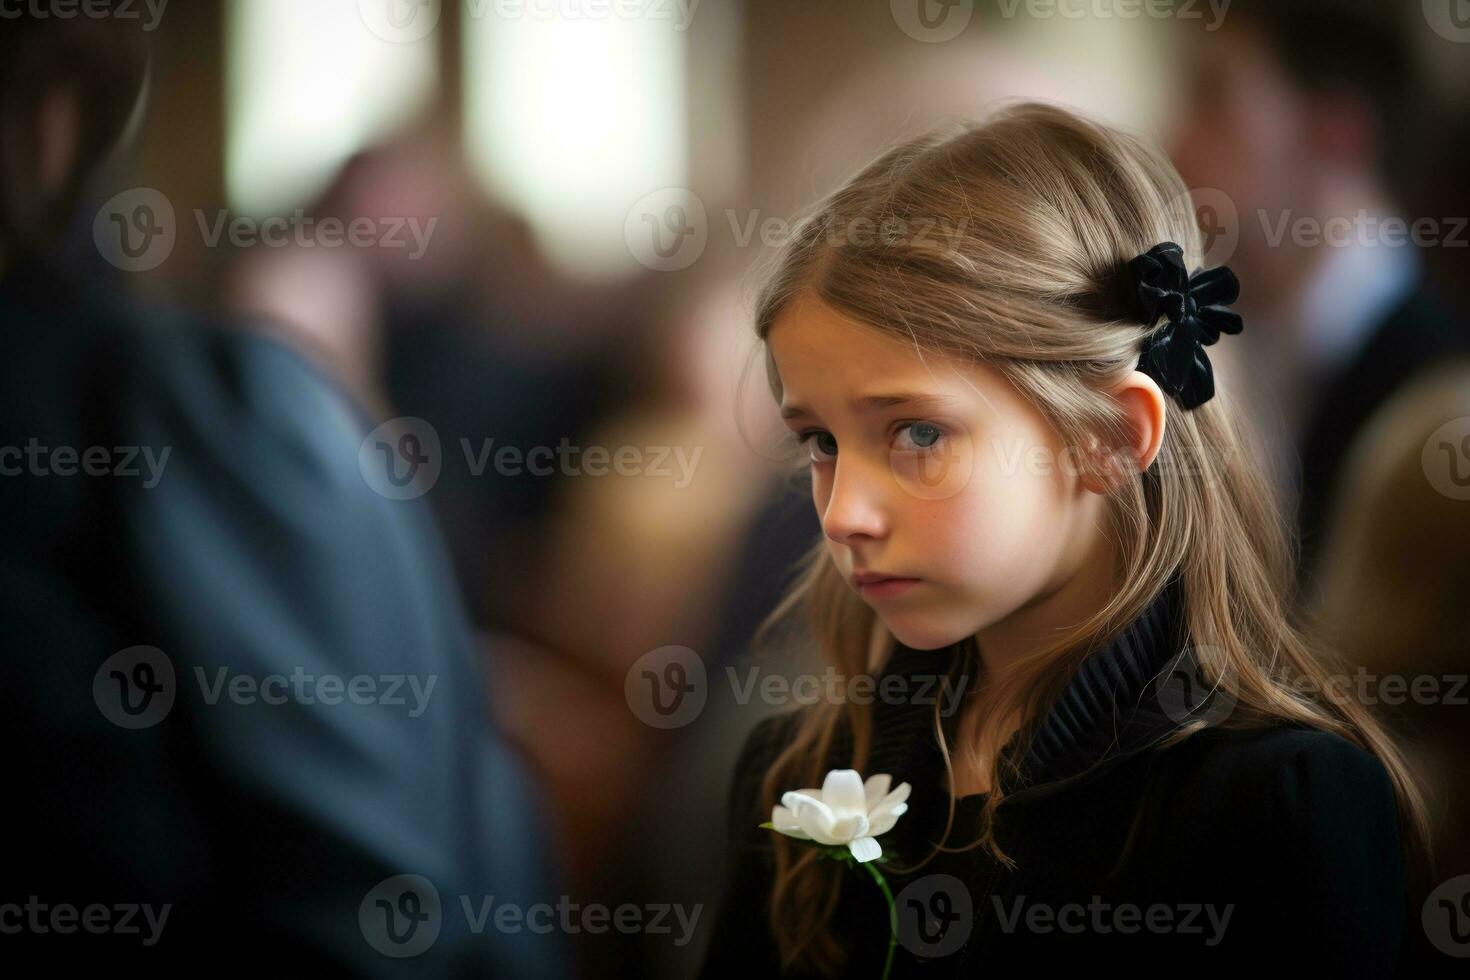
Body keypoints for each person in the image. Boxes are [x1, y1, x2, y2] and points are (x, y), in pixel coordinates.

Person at [698, 103, 1433, 976]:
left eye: (918, 434)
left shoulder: (1275, 804)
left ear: (1112, 439)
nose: (842, 513)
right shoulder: (803, 777)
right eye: (821, 442)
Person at [0, 13, 567, 973]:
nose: (397, 228)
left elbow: (379, 905)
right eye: (377, 203)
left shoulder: (189, 411)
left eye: (414, 205)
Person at [1166, 0, 1470, 598]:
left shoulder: (1442, 386)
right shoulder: (1219, 347)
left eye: (1213, 99)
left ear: (1336, 132)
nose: (1173, 141)